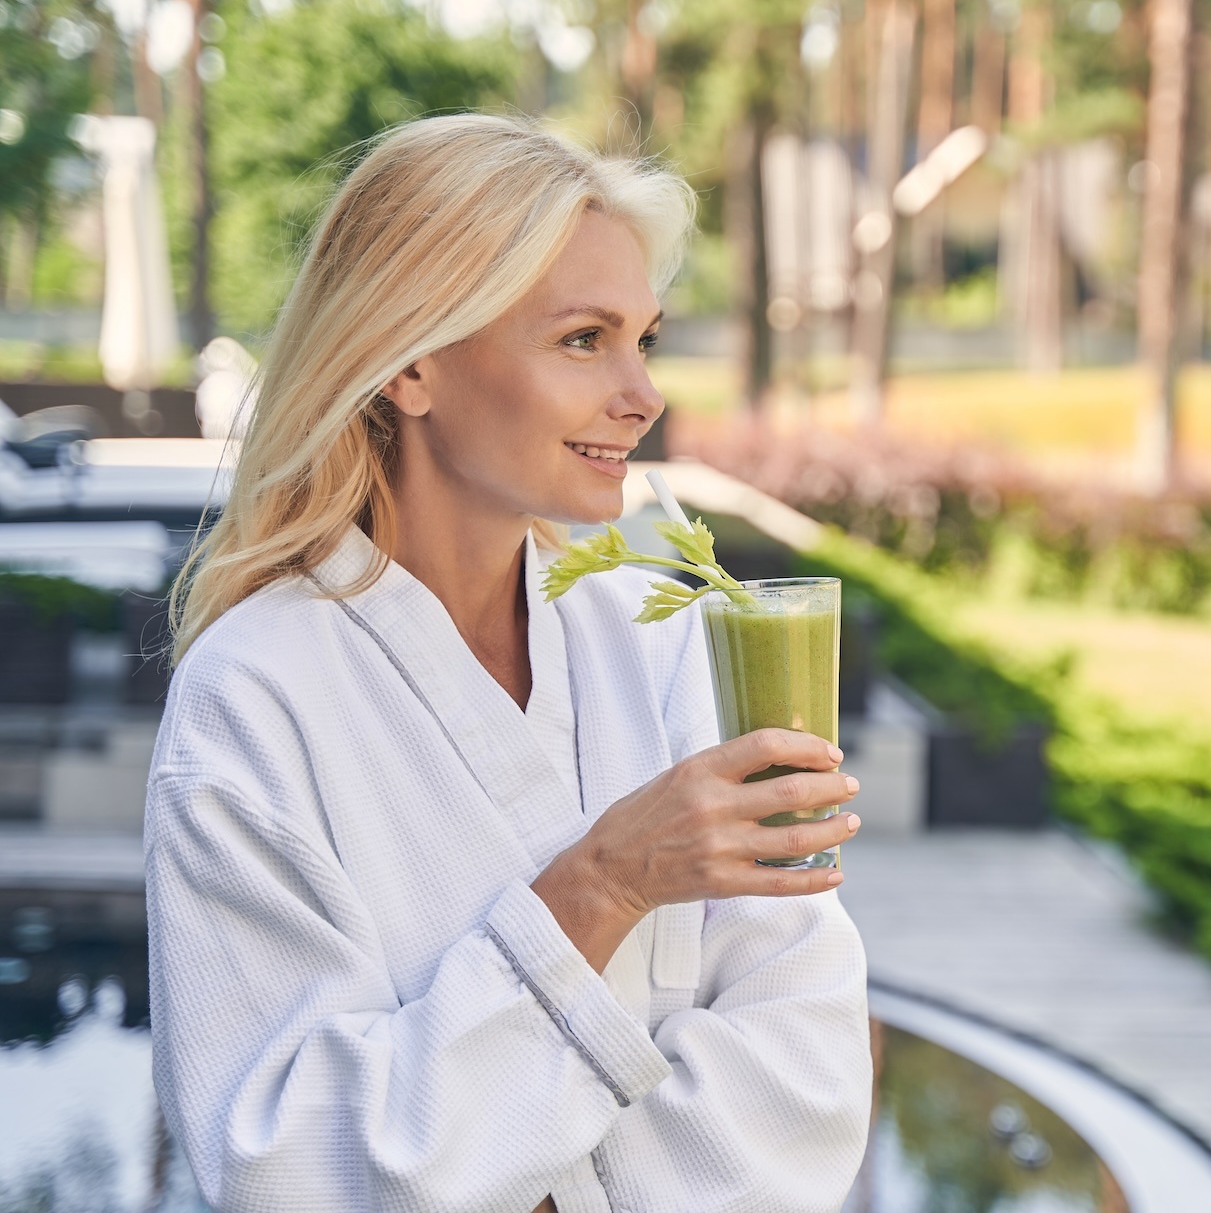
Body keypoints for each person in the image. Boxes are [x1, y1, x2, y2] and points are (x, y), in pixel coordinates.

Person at [146, 114, 870, 1212]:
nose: (644, 393)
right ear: (412, 363)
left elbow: (808, 1056)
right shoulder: (255, 699)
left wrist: (517, 1175)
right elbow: (287, 1163)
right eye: (584, 338)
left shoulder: (669, 635)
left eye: (647, 339)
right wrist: (605, 880)